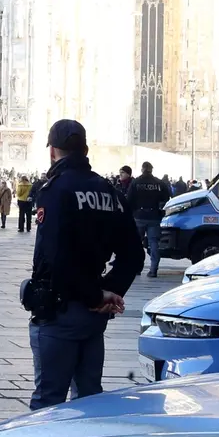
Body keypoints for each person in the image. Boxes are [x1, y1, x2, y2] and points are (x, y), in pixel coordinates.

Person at [24, 120, 144, 411]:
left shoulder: (55, 190)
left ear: (52, 151)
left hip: (60, 309)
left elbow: (55, 259)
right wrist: (108, 292)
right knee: (89, 400)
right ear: (85, 149)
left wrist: (94, 296)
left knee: (47, 402)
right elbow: (134, 255)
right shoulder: (109, 191)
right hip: (94, 316)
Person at [127, 161, 171, 278]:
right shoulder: (159, 183)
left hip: (139, 216)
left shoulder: (136, 182)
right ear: (152, 170)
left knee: (136, 244)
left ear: (142, 169)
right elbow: (167, 199)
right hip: (154, 216)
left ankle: (136, 268)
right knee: (154, 243)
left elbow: (129, 199)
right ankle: (153, 270)